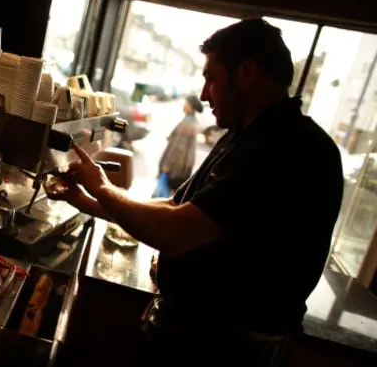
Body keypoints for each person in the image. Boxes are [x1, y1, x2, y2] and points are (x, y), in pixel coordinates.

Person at [49, 18, 343, 366]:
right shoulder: (243, 136)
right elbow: (175, 206)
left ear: (246, 72)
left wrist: (100, 185)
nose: (204, 94)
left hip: (228, 349)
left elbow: (174, 232)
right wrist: (87, 200)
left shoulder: (290, 149)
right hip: (193, 332)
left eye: (211, 78)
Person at [154, 95, 204, 196]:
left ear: (191, 107)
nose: (184, 105)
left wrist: (167, 165)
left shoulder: (187, 124)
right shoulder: (192, 122)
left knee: (168, 196)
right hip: (183, 168)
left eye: (186, 103)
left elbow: (178, 148)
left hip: (175, 169)